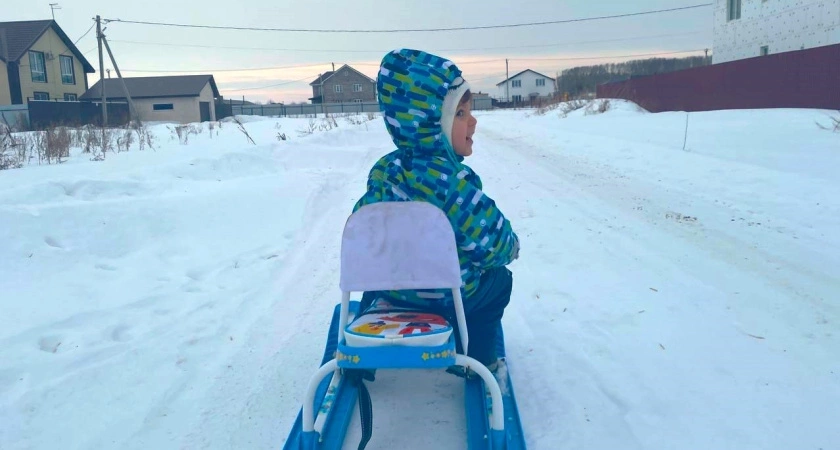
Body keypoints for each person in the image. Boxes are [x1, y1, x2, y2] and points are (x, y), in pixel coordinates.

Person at [353, 49, 520, 375]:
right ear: (429, 124)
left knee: (375, 278)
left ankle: (363, 350)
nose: (473, 121)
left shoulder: (384, 171)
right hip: (448, 299)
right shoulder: (454, 186)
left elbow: (364, 225)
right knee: (499, 282)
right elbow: (491, 242)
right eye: (460, 113)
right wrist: (510, 247)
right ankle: (477, 359)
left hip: (391, 290)